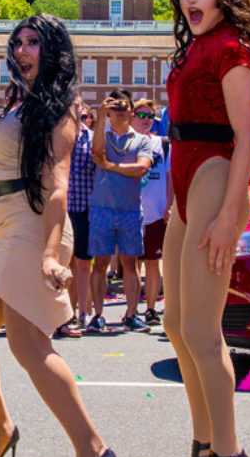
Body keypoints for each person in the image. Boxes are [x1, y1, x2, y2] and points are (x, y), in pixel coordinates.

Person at [0, 13, 117, 457]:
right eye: (17, 41)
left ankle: (92, 448)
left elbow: (56, 187)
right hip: (7, 229)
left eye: (33, 42)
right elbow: (9, 174)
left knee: (28, 346)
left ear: (53, 49)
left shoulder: (60, 108)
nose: (21, 49)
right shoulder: (23, 103)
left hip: (34, 231)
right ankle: (2, 430)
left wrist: (48, 254)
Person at [163, 0, 250, 457]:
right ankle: (205, 446)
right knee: (177, 324)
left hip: (214, 173)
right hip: (185, 178)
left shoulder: (232, 47)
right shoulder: (195, 48)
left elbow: (249, 136)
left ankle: (227, 455)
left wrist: (232, 213)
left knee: (203, 332)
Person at [87, 89, 152, 333]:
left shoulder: (142, 139)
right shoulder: (102, 134)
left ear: (131, 112)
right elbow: (96, 153)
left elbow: (141, 168)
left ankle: (132, 314)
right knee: (100, 262)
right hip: (102, 208)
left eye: (124, 108)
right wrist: (101, 115)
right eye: (115, 108)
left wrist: (110, 166)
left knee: (130, 262)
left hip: (130, 209)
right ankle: (98, 315)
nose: (120, 112)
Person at [130, 97, 172, 325]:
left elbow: (170, 176)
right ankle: (132, 309)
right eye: (142, 115)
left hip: (156, 211)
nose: (146, 120)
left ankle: (151, 309)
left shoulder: (162, 144)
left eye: (150, 116)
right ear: (132, 118)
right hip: (131, 210)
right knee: (132, 262)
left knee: (153, 262)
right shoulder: (124, 143)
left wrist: (170, 204)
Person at [65, 96, 95, 334]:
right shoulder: (57, 137)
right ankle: (66, 312)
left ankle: (84, 311)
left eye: (81, 112)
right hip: (61, 210)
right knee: (64, 263)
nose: (77, 115)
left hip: (86, 208)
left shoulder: (93, 139)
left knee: (84, 263)